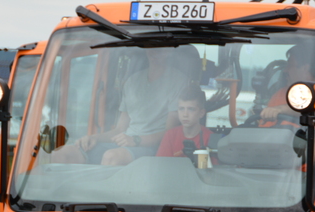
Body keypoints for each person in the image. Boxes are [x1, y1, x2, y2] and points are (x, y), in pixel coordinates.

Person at [52, 48, 189, 166]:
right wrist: (93, 138)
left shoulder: (179, 81)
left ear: (170, 50)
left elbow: (169, 133)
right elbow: (119, 130)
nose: (155, 50)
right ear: (146, 49)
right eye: (153, 46)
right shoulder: (132, 81)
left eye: (161, 47)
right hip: (124, 144)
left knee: (111, 157)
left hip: (152, 147)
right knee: (61, 153)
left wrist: (136, 140)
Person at [259, 45, 315, 125]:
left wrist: (281, 109)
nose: (285, 70)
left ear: (305, 68)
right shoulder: (281, 93)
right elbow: (264, 125)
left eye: (289, 66)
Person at [156, 85, 213, 162]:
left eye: (191, 109)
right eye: (181, 109)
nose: (185, 114)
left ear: (201, 113)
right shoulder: (170, 135)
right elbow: (161, 164)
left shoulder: (210, 138)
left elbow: (215, 168)